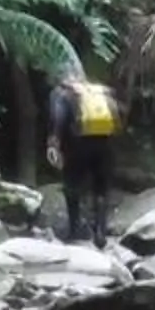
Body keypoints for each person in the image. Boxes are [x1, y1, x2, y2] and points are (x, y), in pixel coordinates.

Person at [46, 69, 122, 245]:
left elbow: (57, 118)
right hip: (104, 143)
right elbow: (117, 120)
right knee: (101, 188)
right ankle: (100, 231)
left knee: (72, 184)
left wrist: (53, 143)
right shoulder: (101, 91)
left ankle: (74, 230)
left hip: (76, 145)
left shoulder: (62, 93)